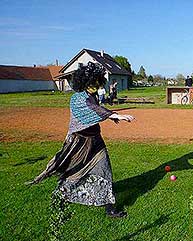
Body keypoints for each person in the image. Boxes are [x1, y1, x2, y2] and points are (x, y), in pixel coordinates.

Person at [29, 62, 134, 218]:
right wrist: (114, 115)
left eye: (97, 82)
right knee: (73, 171)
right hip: (79, 142)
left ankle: (110, 209)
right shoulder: (77, 98)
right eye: (93, 83)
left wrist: (110, 117)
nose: (96, 85)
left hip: (96, 141)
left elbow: (95, 113)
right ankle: (62, 195)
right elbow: (94, 110)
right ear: (84, 82)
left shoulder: (93, 96)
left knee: (105, 170)